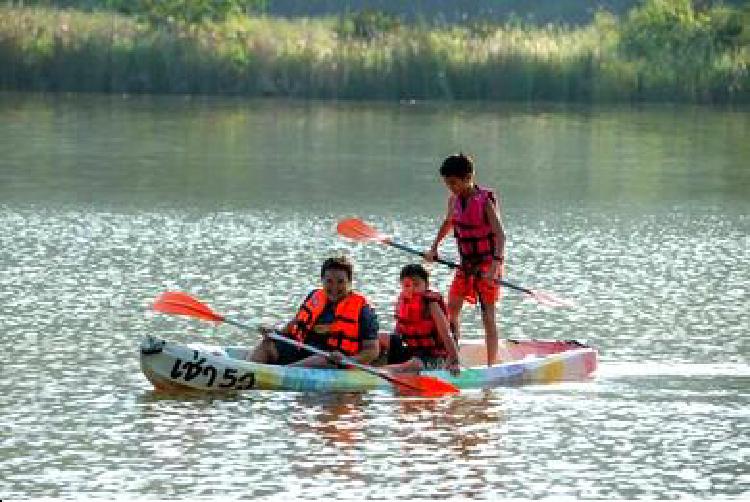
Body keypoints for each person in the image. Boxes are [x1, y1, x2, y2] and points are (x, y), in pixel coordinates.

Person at [424, 153, 506, 366]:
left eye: (453, 182)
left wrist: (495, 267)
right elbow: (448, 224)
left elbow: (501, 235)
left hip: (488, 263)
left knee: (487, 316)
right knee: (451, 309)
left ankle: (491, 365)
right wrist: (433, 248)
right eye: (447, 183)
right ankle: (454, 358)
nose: (450, 187)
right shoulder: (454, 200)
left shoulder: (485, 200)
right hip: (466, 264)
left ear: (468, 177)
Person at [248, 256, 380, 368]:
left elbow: (372, 351)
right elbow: (294, 325)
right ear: (322, 280)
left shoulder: (363, 309)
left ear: (349, 282)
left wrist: (350, 361)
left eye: (341, 282)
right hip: (302, 352)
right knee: (267, 343)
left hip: (334, 362)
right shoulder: (314, 297)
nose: (334, 287)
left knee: (322, 358)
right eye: (329, 281)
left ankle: (283, 372)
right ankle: (247, 371)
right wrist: (273, 332)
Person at [379, 264, 461, 375]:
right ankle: (371, 364)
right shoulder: (403, 302)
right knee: (379, 337)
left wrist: (454, 361)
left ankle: (385, 370)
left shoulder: (431, 304)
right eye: (407, 286)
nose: (412, 289)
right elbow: (398, 334)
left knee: (415, 364)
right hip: (412, 351)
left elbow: (446, 334)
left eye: (416, 285)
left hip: (434, 357)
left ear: (426, 285)